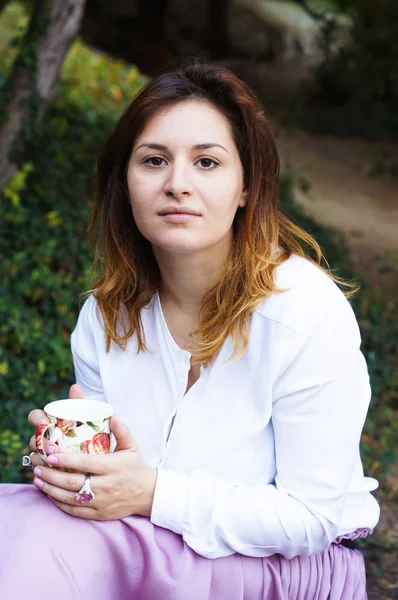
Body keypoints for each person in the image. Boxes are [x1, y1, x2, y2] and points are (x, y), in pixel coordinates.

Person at [0, 60, 380, 600]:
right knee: (24, 525)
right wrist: (58, 467)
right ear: (124, 182)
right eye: (154, 161)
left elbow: (310, 518)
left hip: (281, 571)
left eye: (207, 162)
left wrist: (152, 494)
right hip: (142, 547)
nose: (177, 184)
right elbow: (112, 490)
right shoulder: (105, 318)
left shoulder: (304, 313)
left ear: (247, 186)